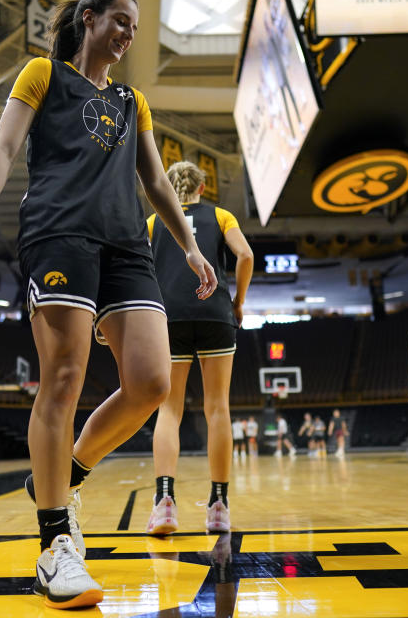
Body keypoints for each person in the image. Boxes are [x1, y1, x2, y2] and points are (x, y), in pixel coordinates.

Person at [0, 0, 217, 609]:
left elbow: (154, 180)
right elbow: (4, 149)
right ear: (88, 19)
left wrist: (192, 248)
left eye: (135, 26)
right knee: (63, 379)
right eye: (119, 21)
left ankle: (64, 477)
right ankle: (54, 546)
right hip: (57, 233)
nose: (127, 33)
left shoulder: (132, 100)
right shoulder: (43, 74)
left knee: (151, 383)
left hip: (127, 246)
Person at [146, 160, 254, 536]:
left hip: (168, 315)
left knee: (169, 411)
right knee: (218, 408)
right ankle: (219, 506)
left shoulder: (152, 220)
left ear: (169, 186)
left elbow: (136, 267)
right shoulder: (221, 215)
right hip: (214, 311)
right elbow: (246, 255)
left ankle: (164, 505)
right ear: (203, 188)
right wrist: (238, 302)